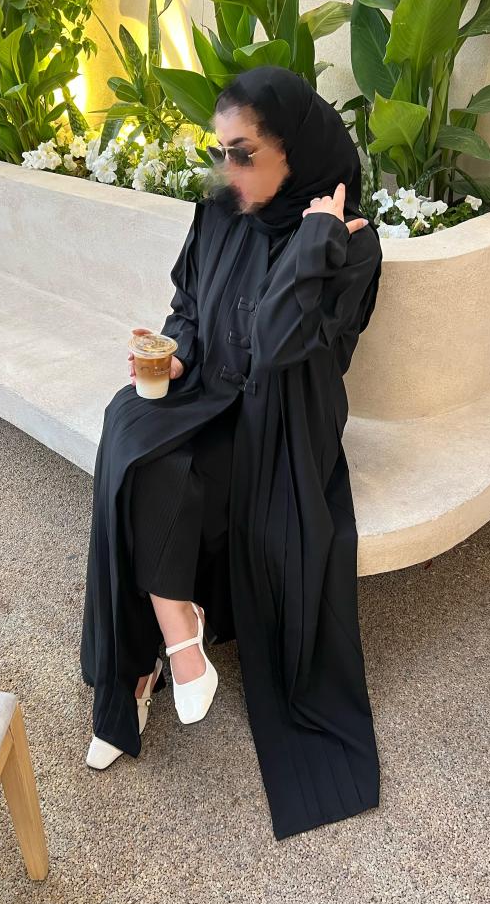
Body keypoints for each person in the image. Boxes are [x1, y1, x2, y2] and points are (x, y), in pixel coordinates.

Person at [80, 64, 384, 840]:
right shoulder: (222, 208)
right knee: (129, 430)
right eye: (222, 152)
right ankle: (170, 645)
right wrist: (176, 350)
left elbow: (281, 346)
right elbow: (188, 305)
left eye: (244, 153)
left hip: (282, 419)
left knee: (164, 470)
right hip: (207, 386)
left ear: (295, 151)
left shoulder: (349, 243)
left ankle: (148, 660)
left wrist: (313, 240)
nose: (229, 170)